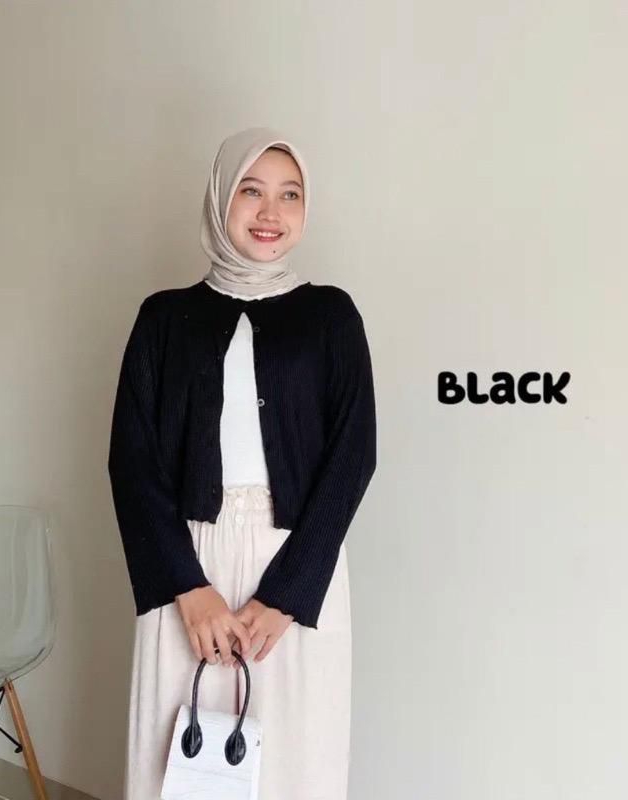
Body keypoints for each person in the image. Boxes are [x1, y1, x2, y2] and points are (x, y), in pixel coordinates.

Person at [108, 126, 377, 799]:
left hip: (297, 559)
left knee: (295, 760)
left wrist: (287, 596)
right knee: (179, 758)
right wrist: (188, 589)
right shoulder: (163, 318)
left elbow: (353, 456)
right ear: (220, 197)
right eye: (251, 191)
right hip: (187, 558)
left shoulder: (332, 316)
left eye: (290, 194)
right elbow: (131, 461)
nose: (270, 212)